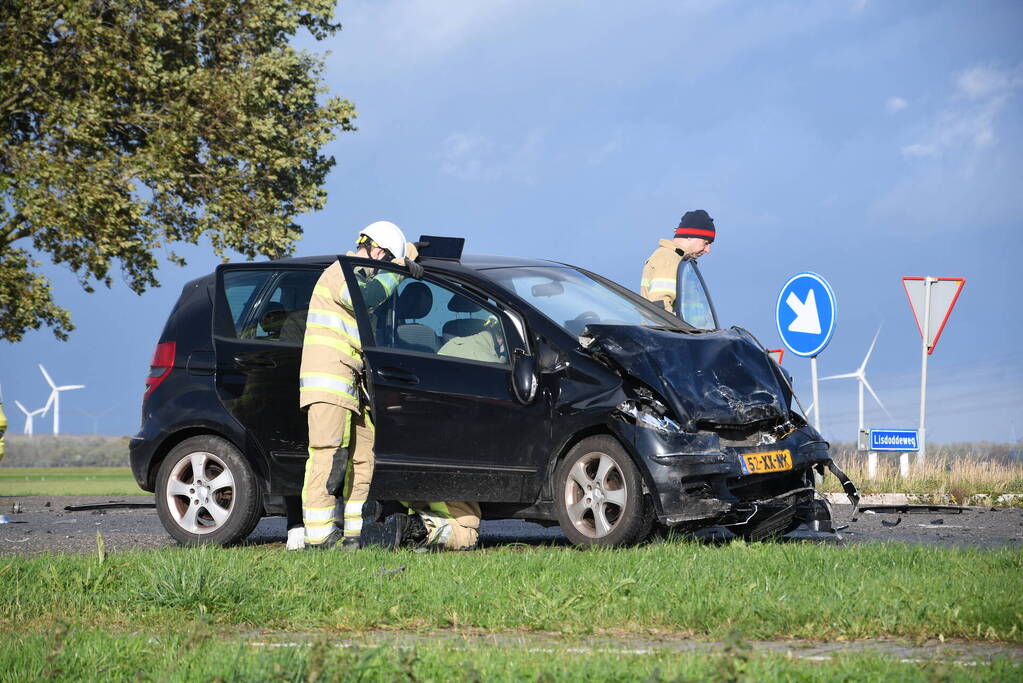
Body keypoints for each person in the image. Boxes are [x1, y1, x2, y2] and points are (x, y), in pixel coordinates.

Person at [298, 220, 423, 550]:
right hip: (329, 381)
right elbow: (362, 299)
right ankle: (319, 535)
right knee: (328, 455)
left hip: (353, 382)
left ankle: (355, 532)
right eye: (384, 262)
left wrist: (407, 254)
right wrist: (397, 269)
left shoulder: (364, 268)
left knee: (362, 457)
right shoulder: (343, 270)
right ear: (378, 252)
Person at [640, 209, 716, 313]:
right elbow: (660, 306)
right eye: (706, 243)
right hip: (665, 328)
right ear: (690, 236)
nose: (708, 250)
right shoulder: (668, 258)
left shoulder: (676, 259)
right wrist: (674, 329)